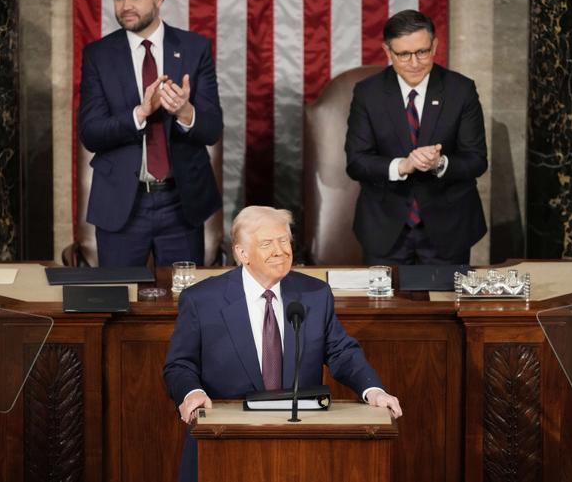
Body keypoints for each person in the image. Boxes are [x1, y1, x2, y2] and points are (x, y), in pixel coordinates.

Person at [164, 205, 402, 482]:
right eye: (267, 243)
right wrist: (191, 393)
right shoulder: (203, 299)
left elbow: (341, 351)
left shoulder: (314, 293)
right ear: (242, 254)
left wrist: (372, 390)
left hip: (300, 442)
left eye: (284, 240)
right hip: (223, 440)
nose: (280, 250)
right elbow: (179, 364)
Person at [78, 0, 223, 267]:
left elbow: (212, 130)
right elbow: (90, 133)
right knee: (118, 303)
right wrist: (140, 114)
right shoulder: (98, 55)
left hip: (181, 203)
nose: (125, 6)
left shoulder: (194, 49)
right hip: (122, 205)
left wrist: (185, 112)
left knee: (186, 305)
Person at [345, 9, 487, 265]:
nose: (414, 62)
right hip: (384, 228)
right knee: (385, 306)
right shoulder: (368, 93)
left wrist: (440, 164)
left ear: (434, 46)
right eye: (403, 54)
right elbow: (357, 162)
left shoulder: (460, 90)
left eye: (422, 52)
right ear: (387, 52)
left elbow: (476, 160)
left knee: (445, 305)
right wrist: (402, 165)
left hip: (448, 227)